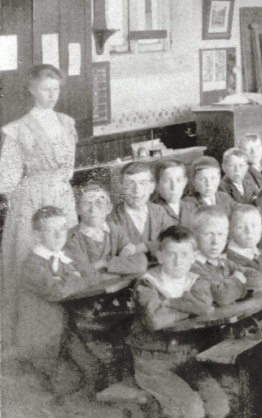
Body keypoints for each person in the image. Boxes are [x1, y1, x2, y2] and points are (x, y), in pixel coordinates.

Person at [0, 65, 79, 350]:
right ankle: (33, 338)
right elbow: (6, 178)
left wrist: (59, 188)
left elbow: (68, 169)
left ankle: (71, 334)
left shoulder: (66, 123)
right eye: (46, 88)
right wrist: (22, 205)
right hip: (32, 200)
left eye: (56, 88)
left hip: (61, 195)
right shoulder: (18, 128)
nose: (52, 94)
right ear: (32, 90)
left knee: (66, 258)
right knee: (32, 261)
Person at [127, 225, 229, 418]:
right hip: (151, 363)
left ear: (193, 256)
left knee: (219, 404)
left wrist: (168, 304)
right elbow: (156, 320)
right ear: (160, 256)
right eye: (171, 254)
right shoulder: (147, 283)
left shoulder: (195, 279)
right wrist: (188, 310)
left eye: (184, 255)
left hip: (186, 358)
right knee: (190, 409)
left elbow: (203, 304)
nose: (178, 261)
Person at [18, 206, 98, 393]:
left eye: (62, 228)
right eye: (51, 230)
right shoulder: (32, 265)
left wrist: (71, 279)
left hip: (66, 330)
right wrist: (76, 278)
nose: (58, 235)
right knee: (64, 385)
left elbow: (93, 275)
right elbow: (57, 292)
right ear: (37, 236)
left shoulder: (64, 255)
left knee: (94, 370)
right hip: (42, 335)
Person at [191, 206, 262, 305]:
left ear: (227, 234)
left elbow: (258, 279)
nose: (216, 241)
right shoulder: (193, 267)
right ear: (195, 236)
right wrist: (238, 279)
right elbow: (221, 297)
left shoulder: (222, 261)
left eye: (221, 234)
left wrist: (230, 288)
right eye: (209, 234)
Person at [109, 162, 175, 258]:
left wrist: (145, 246)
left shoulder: (159, 212)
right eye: (130, 183)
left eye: (143, 183)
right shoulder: (112, 218)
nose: (136, 190)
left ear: (151, 187)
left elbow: (174, 239)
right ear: (121, 188)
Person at [154, 160, 198, 229]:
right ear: (157, 184)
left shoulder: (192, 207)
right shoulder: (153, 211)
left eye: (178, 180)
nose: (174, 186)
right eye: (167, 181)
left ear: (185, 182)